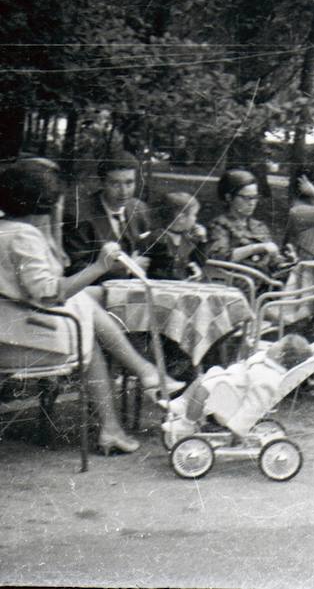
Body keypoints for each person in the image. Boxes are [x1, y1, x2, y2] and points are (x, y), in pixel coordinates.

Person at [0, 160, 185, 456]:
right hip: (18, 341)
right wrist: (100, 266)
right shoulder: (23, 236)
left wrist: (51, 230)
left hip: (14, 329)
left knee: (87, 312)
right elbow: (51, 294)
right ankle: (140, 380)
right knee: (86, 323)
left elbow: (55, 271)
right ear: (45, 203)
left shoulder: (10, 228)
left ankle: (121, 413)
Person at [163, 334, 313, 441]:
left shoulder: (268, 377)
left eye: (276, 344)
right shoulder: (268, 362)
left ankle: (187, 423)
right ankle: (183, 404)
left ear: (280, 355)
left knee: (205, 388)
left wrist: (239, 428)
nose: (271, 344)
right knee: (211, 373)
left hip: (232, 406)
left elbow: (255, 404)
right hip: (233, 388)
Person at [63, 151, 152, 275]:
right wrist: (127, 267)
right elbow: (76, 269)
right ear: (102, 183)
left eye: (129, 183)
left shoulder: (140, 209)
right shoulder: (79, 216)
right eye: (115, 183)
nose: (124, 191)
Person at [206, 169, 284, 271]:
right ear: (229, 197)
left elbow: (273, 263)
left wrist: (285, 261)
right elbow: (219, 258)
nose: (252, 203)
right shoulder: (219, 225)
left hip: (264, 281)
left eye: (255, 197)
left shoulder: (258, 226)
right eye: (247, 198)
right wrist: (255, 248)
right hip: (237, 281)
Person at [142, 191, 207, 280]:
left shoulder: (187, 238)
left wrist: (202, 240)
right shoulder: (157, 238)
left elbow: (198, 262)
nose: (196, 219)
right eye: (194, 215)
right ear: (181, 218)